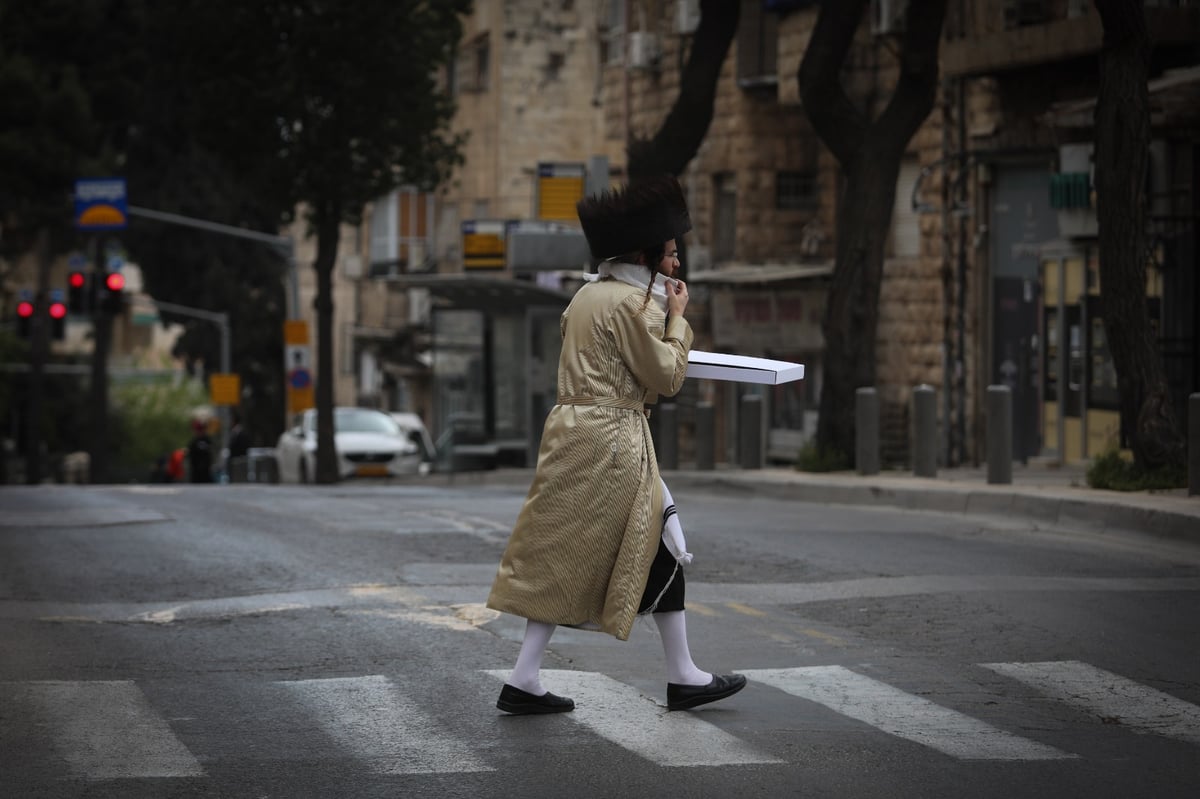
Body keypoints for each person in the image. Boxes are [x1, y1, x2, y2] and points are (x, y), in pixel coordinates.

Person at [486, 174, 746, 714]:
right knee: (660, 545)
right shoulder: (637, 306)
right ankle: (682, 676)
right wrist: (677, 320)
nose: (677, 265)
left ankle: (526, 677)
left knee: (567, 551)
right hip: (614, 439)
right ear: (647, 256)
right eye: (671, 255)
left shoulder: (585, 296)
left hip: (569, 431)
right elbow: (667, 377)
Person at [187, 418, 214, 483]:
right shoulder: (194, 442)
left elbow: (210, 454)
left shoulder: (207, 440)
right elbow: (191, 455)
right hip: (196, 472)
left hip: (206, 472)